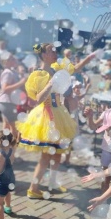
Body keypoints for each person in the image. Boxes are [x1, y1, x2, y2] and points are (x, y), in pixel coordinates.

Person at [16, 43, 96, 198]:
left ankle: (52, 183)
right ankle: (33, 188)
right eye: (51, 51)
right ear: (43, 55)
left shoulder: (57, 68)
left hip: (59, 113)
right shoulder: (38, 74)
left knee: (58, 153)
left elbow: (75, 68)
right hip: (46, 115)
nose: (55, 52)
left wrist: (89, 58)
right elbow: (38, 99)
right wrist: (50, 84)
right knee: (46, 156)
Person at [0, 52, 27, 138]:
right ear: (6, 62)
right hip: (6, 103)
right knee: (14, 128)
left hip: (8, 102)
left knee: (6, 125)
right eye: (12, 59)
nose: (15, 59)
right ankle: (11, 148)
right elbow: (5, 89)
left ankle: (3, 146)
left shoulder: (13, 72)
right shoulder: (8, 73)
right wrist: (21, 82)